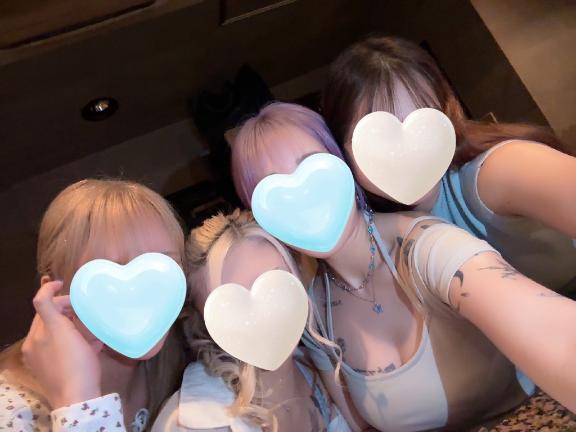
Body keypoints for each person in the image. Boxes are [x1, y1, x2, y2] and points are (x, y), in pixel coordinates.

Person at [230, 102, 576, 431]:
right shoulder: (313, 314)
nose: (303, 196)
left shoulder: (426, 246)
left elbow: (552, 333)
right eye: (272, 191)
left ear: (343, 164)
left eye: (312, 166)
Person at [322, 35, 576, 293]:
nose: (408, 153)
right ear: (341, 151)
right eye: (377, 138)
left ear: (447, 114)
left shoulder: (500, 169)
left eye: (423, 125)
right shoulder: (372, 240)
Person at [0, 179, 188, 432]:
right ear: (54, 293)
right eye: (104, 278)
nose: (139, 292)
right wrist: (78, 402)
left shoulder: (188, 359)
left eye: (160, 266)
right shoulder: (12, 416)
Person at [153, 209, 350, 431]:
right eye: (232, 303)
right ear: (203, 322)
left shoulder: (324, 367)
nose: (264, 313)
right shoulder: (185, 423)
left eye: (275, 284)